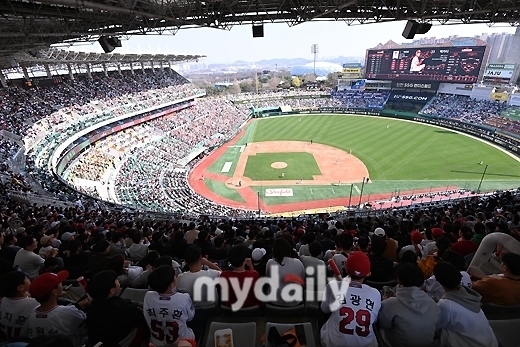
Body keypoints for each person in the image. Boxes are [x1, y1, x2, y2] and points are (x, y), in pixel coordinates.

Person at [320, 251, 381, 347]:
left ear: (346, 268)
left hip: (334, 343)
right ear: (368, 273)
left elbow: (325, 310)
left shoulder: (333, 286)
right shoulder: (375, 293)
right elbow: (374, 320)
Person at [434, 262, 498, 347]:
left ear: (438, 281)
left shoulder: (446, 305)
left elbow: (436, 325)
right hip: (491, 342)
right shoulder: (470, 296)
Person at [378, 263, 440, 347]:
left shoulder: (391, 303)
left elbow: (384, 324)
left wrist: (385, 302)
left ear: (398, 279)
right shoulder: (433, 304)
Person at [86, 270, 149, 347]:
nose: (118, 281)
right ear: (112, 291)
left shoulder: (92, 306)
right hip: (122, 342)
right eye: (116, 280)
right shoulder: (123, 307)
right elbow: (140, 318)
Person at [27, 270, 89, 346]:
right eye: (59, 283)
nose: (61, 283)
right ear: (54, 291)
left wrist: (78, 305)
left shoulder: (32, 313)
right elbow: (88, 326)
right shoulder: (69, 313)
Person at [144, 265, 196, 347]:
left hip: (156, 342)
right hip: (181, 342)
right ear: (171, 285)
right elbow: (190, 317)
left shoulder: (148, 296)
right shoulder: (183, 297)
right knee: (200, 314)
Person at [265, 238, 305, 307]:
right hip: (295, 302)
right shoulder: (298, 262)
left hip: (274, 301)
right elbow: (302, 278)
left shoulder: (270, 262)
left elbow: (268, 278)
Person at [0, 271, 39, 340]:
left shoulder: (4, 300)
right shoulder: (32, 303)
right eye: (27, 279)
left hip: (6, 338)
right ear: (20, 287)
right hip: (24, 340)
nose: (29, 279)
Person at [219, 245, 260, 310]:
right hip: (251, 308)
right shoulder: (254, 274)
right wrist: (251, 266)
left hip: (229, 309)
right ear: (244, 260)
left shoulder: (224, 275)